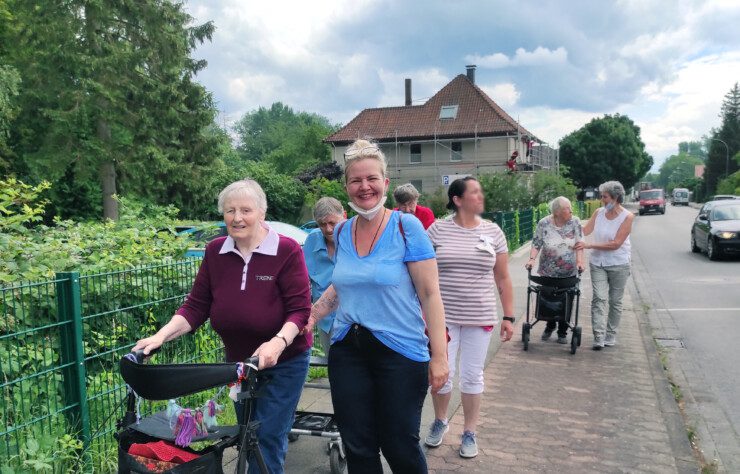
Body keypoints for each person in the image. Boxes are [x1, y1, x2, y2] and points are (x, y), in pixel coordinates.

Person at [133, 179, 311, 474]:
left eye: (245, 210)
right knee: (246, 437)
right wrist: (160, 336)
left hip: (284, 363)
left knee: (266, 439)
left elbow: (299, 311)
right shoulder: (215, 251)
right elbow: (195, 307)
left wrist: (277, 343)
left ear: (262, 212)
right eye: (230, 211)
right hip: (240, 364)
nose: (237, 218)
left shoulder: (287, 250)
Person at [305, 139, 448, 474]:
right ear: (347, 187)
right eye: (356, 180)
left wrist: (439, 357)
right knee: (358, 446)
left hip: (400, 353)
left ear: (385, 183)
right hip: (348, 351)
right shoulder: (341, 231)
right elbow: (340, 286)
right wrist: (310, 316)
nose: (364, 186)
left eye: (371, 179)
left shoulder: (406, 226)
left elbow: (430, 294)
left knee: (399, 444)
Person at [424, 176, 515, 458]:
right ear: (458, 200)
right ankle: (441, 421)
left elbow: (502, 276)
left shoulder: (494, 232)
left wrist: (509, 316)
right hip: (442, 316)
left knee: (473, 375)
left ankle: (469, 431)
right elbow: (422, 271)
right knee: (440, 373)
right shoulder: (437, 230)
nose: (480, 196)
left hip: (479, 314)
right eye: (474, 192)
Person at [577, 180, 634, 350]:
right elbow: (585, 231)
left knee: (615, 301)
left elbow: (616, 244)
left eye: (605, 197)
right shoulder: (599, 213)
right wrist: (568, 224)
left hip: (619, 263)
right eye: (601, 196)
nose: (602, 200)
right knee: (599, 298)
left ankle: (611, 334)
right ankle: (599, 336)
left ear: (616, 197)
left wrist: (589, 245)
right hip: (598, 262)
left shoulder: (628, 217)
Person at [525, 196, 586, 344]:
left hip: (568, 271)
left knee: (567, 299)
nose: (571, 210)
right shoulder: (544, 223)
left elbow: (579, 244)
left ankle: (562, 332)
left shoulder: (575, 222)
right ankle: (550, 325)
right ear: (557, 212)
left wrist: (579, 261)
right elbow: (537, 243)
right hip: (548, 271)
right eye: (567, 208)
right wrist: (532, 259)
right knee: (548, 299)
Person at [302, 197, 345, 354]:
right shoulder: (312, 240)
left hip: (352, 319)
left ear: (344, 216)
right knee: (333, 366)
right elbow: (302, 278)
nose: (328, 229)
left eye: (332, 223)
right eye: (322, 224)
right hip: (325, 321)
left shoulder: (355, 238)